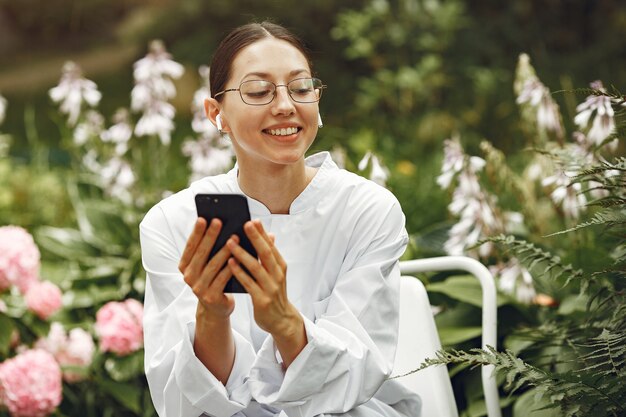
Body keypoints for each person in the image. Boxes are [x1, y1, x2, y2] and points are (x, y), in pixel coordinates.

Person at [139, 21, 422, 417]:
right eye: (259, 91)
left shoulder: (367, 210)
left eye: (301, 88)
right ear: (215, 113)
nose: (286, 105)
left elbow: (359, 371)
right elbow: (188, 402)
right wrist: (212, 314)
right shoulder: (173, 223)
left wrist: (285, 321)